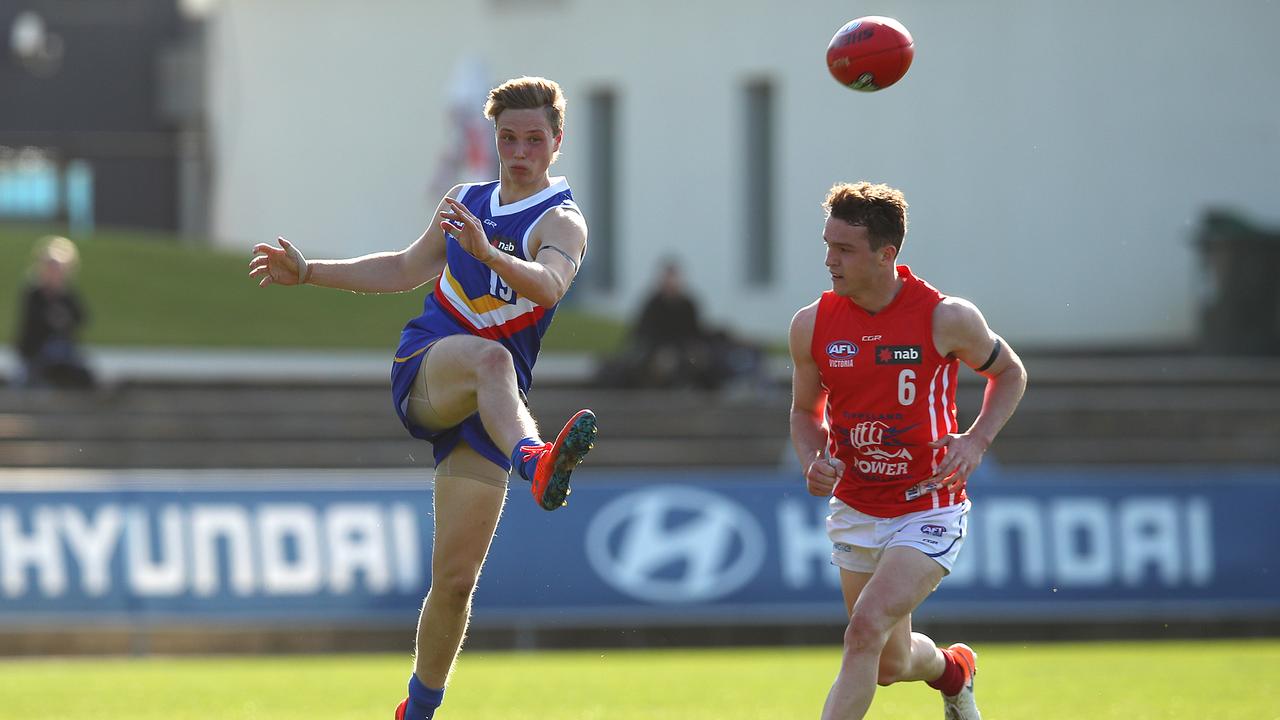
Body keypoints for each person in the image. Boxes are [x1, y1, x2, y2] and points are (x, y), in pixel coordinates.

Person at [248, 76, 597, 720]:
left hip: (490, 406)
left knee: (456, 582)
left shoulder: (562, 221)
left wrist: (487, 251)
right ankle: (535, 462)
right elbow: (406, 268)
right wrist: (310, 272)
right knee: (491, 358)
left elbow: (549, 287)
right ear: (496, 139)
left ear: (556, 143)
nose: (518, 152)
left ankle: (418, 710)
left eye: (532, 140)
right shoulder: (466, 200)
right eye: (508, 138)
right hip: (428, 369)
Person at [788, 182, 1026, 720]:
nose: (830, 261)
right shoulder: (812, 325)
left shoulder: (947, 317)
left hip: (928, 504)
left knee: (863, 630)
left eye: (844, 250)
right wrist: (812, 459)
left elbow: (1010, 373)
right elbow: (804, 414)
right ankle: (953, 671)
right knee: (888, 664)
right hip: (855, 507)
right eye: (827, 246)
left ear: (886, 254)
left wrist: (976, 440)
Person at [13, 235, 94, 389]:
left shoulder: (67, 295)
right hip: (36, 352)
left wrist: (63, 315)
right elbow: (31, 325)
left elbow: (82, 318)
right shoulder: (34, 294)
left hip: (63, 352)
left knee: (78, 371)